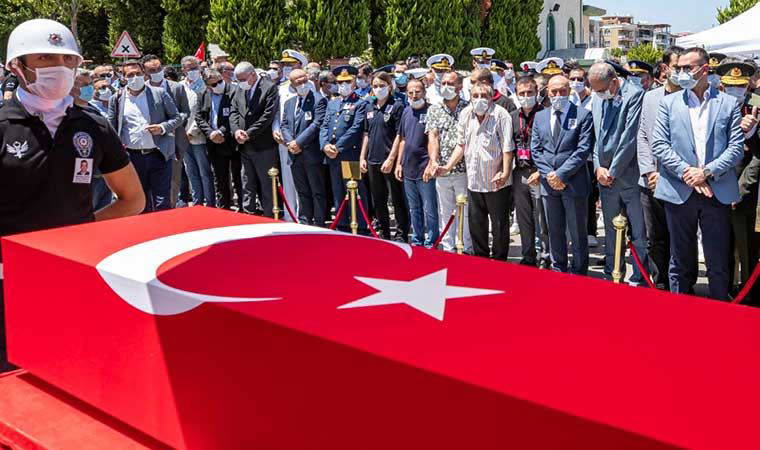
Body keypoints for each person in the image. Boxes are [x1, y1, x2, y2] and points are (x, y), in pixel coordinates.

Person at [0, 19, 145, 371]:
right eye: (46, 58)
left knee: (71, 369)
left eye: (68, 60)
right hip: (9, 282)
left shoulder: (93, 125)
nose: (60, 68)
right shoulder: (2, 125)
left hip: (72, 274)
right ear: (17, 66)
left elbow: (132, 199)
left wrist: (83, 227)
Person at [651, 47, 744, 300]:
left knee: (717, 261)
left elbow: (736, 147)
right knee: (679, 261)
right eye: (679, 68)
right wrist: (687, 172)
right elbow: (659, 144)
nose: (681, 72)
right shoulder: (669, 103)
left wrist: (706, 172)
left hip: (716, 191)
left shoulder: (727, 103)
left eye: (687, 68)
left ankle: (718, 313)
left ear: (704, 69)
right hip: (679, 190)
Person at [589, 61, 648, 286]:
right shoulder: (598, 97)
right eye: (595, 90)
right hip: (605, 178)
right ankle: (612, 273)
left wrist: (612, 171)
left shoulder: (634, 95)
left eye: (601, 89)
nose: (598, 94)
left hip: (629, 176)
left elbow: (629, 138)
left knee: (638, 232)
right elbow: (597, 136)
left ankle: (639, 277)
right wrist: (598, 167)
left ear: (614, 82)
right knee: (612, 232)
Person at [530, 75, 594, 274]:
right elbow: (536, 149)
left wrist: (561, 174)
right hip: (549, 185)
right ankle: (558, 269)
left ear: (569, 91)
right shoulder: (540, 117)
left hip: (573, 183)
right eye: (554, 91)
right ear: (547, 92)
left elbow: (583, 149)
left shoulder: (583, 115)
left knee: (577, 232)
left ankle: (579, 272)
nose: (558, 95)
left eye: (563, 91)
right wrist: (549, 174)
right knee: (554, 231)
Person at [446, 83, 513, 260]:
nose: (479, 100)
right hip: (474, 180)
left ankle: (499, 261)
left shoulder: (501, 115)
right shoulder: (465, 114)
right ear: (470, 97)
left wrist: (505, 172)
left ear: (491, 98)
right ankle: (481, 260)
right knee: (476, 224)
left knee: (499, 225)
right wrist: (447, 166)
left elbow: (507, 148)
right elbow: (461, 145)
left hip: (496, 181)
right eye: (475, 96)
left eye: (484, 96)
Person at [637, 47, 685, 291]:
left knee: (680, 238)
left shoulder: (691, 96)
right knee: (655, 237)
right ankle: (660, 284)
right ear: (665, 68)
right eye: (678, 67)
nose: (683, 72)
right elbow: (643, 136)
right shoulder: (650, 97)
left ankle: (682, 286)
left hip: (681, 181)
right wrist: (649, 172)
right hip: (651, 181)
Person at [108, 59, 181, 212]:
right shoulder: (117, 98)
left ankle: (164, 226)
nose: (135, 77)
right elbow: (112, 127)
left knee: (162, 201)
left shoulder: (159, 93)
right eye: (130, 75)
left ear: (144, 74)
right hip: (133, 157)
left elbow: (177, 118)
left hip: (159, 154)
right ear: (123, 78)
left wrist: (162, 127)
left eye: (138, 73)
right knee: (141, 202)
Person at [717, 60, 760, 301]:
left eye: (741, 86)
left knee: (747, 248)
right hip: (716, 187)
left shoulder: (757, 107)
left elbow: (758, 157)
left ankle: (749, 295)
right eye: (730, 86)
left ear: (748, 86)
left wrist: (741, 189)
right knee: (721, 246)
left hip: (746, 191)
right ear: (722, 85)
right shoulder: (713, 106)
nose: (736, 91)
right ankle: (724, 292)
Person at [424, 71, 472, 253]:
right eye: (443, 83)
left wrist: (449, 165)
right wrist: (434, 161)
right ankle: (448, 247)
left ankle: (466, 247)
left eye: (450, 84)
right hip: (441, 171)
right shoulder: (434, 109)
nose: (445, 87)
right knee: (445, 211)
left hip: (463, 170)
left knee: (464, 211)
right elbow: (433, 136)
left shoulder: (468, 108)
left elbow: (466, 141)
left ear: (459, 87)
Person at [319, 65, 369, 232]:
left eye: (347, 81)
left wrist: (338, 147)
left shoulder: (360, 103)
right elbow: (325, 125)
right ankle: (342, 223)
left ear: (353, 82)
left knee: (354, 188)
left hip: (349, 154)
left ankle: (360, 224)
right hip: (332, 156)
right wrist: (325, 145)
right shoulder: (332, 103)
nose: (343, 85)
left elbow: (356, 128)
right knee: (338, 189)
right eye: (340, 82)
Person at [359, 70, 408, 240]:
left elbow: (400, 135)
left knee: (397, 199)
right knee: (378, 199)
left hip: (389, 160)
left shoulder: (397, 106)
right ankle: (384, 233)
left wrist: (392, 158)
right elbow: (366, 134)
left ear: (389, 86)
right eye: (375, 86)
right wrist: (362, 157)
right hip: (373, 160)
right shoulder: (369, 106)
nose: (378, 89)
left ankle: (401, 234)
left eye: (382, 85)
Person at [230, 61, 280, 217]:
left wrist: (249, 133)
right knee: (247, 182)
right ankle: (248, 214)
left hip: (263, 145)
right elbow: (234, 111)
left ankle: (269, 216)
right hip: (244, 145)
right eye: (238, 80)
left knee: (266, 184)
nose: (240, 83)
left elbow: (268, 115)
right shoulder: (240, 88)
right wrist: (236, 130)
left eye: (243, 79)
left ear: (252, 74)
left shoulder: (269, 87)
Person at [510, 76, 550, 267]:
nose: (526, 96)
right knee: (523, 217)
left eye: (530, 93)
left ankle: (545, 256)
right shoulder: (512, 117)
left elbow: (551, 146)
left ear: (536, 93)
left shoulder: (546, 114)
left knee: (542, 218)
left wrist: (542, 171)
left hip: (540, 172)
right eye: (522, 93)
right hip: (520, 171)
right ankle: (528, 256)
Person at [143, 54, 191, 208]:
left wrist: (167, 126)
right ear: (145, 72)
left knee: (173, 180)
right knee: (149, 184)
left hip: (174, 141)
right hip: (149, 143)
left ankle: (170, 211)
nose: (157, 72)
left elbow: (185, 112)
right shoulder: (142, 89)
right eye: (152, 70)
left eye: (158, 68)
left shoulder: (176, 88)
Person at [281, 68, 328, 226]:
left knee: (317, 191)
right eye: (298, 82)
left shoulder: (318, 100)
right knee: (302, 191)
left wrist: (298, 143)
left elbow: (317, 124)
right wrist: (290, 143)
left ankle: (319, 223)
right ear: (292, 84)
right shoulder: (289, 103)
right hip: (294, 154)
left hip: (311, 153)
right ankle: (304, 221)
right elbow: (284, 125)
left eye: (304, 80)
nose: (302, 84)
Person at [395, 77, 438, 246]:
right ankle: (417, 240)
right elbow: (403, 139)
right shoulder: (406, 111)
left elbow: (434, 140)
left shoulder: (432, 111)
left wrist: (431, 164)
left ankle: (431, 241)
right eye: (410, 92)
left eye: (417, 91)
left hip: (425, 168)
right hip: (408, 168)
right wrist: (399, 163)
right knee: (414, 208)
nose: (414, 95)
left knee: (430, 209)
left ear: (424, 92)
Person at [273, 49, 311, 222]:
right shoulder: (280, 89)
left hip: (303, 141)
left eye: (291, 64)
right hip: (285, 140)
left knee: (304, 181)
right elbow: (277, 114)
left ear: (300, 65)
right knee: (287, 180)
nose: (287, 68)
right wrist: (276, 130)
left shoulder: (309, 87)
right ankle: (290, 215)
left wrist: (299, 141)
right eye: (285, 65)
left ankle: (305, 216)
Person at [196, 68, 242, 211]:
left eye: (220, 81)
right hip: (214, 144)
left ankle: (243, 207)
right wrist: (211, 133)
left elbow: (235, 115)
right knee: (220, 178)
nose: (219, 85)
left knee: (239, 177)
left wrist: (221, 132)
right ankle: (224, 208)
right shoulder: (203, 94)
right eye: (214, 84)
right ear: (207, 86)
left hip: (233, 141)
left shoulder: (234, 91)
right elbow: (199, 117)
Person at [179, 56, 214, 207]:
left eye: (195, 67)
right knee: (191, 171)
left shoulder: (205, 85)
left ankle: (210, 203)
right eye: (189, 68)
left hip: (199, 136)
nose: (193, 71)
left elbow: (204, 112)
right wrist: (181, 133)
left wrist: (192, 131)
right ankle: (197, 202)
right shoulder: (180, 86)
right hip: (183, 137)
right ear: (183, 70)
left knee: (204, 172)